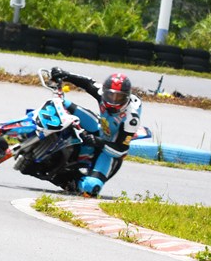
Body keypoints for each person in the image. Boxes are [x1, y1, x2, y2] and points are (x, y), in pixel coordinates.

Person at [48, 67, 142, 196]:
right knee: (61, 103)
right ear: (105, 92)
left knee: (90, 188)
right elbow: (87, 83)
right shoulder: (101, 93)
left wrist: (98, 142)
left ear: (126, 97)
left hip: (109, 151)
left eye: (119, 97)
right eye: (110, 95)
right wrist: (65, 75)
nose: (113, 101)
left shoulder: (131, 119)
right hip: (99, 128)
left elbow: (121, 150)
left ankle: (70, 180)